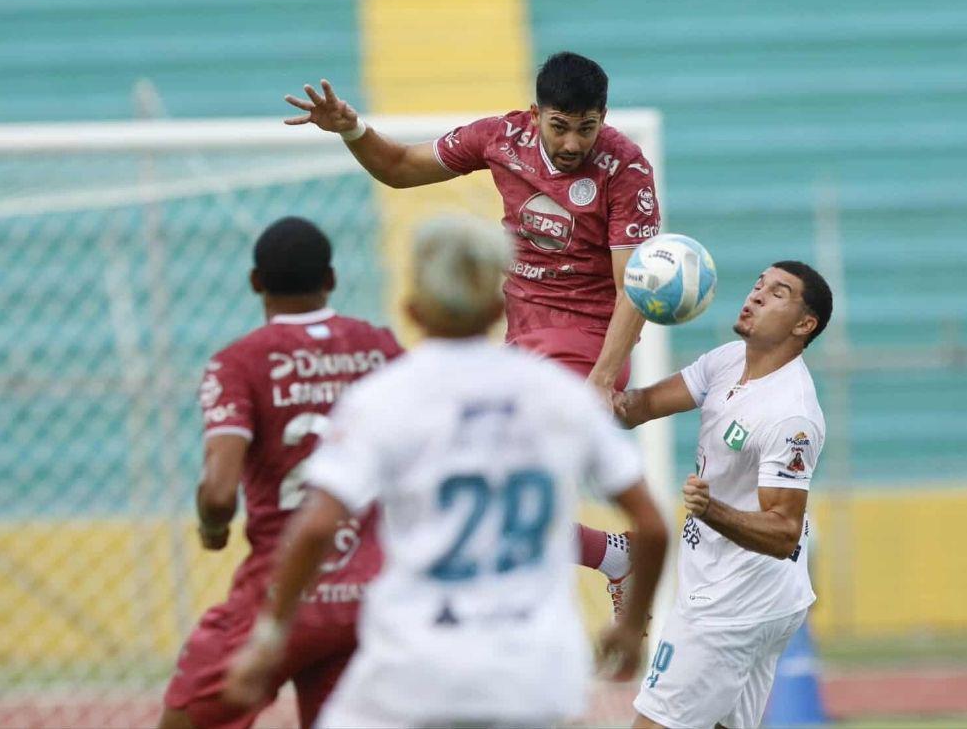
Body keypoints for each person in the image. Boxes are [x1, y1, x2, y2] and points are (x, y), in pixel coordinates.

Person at [223, 215, 669, 729]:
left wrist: (269, 638)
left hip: (419, 662)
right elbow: (653, 526)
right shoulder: (560, 396)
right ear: (499, 305)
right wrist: (630, 626)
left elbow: (318, 526)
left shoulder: (382, 398)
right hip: (536, 668)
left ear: (412, 307)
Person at [283, 51, 662, 601]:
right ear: (536, 115)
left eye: (587, 127)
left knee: (498, 474)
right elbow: (399, 168)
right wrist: (353, 129)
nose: (574, 143)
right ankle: (609, 557)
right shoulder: (501, 138)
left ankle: (557, 584)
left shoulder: (625, 168)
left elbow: (635, 285)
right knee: (484, 481)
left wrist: (602, 380)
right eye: (560, 127)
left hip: (588, 339)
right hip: (520, 335)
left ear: (603, 117)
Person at [159, 217, 404, 729]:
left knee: (186, 719)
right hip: (371, 592)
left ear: (255, 282)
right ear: (331, 279)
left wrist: (212, 527)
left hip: (282, 592)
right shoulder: (381, 348)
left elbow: (221, 493)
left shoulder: (238, 363)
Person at [611, 261, 833, 729]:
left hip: (732, 606)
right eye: (757, 285)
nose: (755, 295)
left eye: (777, 293)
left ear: (803, 324)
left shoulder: (790, 415)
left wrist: (711, 509)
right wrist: (597, 380)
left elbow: (783, 534)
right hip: (752, 596)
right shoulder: (729, 360)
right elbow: (641, 406)